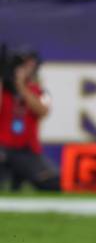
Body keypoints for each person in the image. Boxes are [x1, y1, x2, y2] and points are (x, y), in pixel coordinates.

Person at [0, 51, 59, 191]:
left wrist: (21, 86)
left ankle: (20, 177)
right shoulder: (4, 91)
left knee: (53, 182)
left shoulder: (39, 91)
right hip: (3, 148)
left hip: (27, 151)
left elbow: (43, 111)